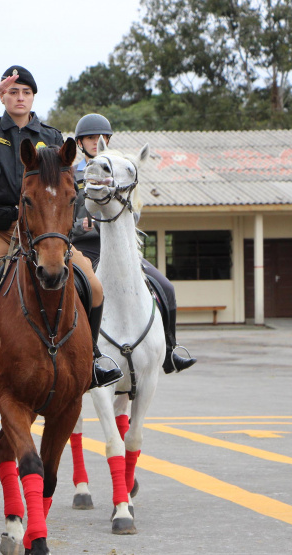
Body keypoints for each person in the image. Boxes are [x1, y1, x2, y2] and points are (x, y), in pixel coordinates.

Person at [0, 65, 123, 397]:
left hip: (42, 233)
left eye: (25, 92)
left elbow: (66, 190)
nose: (19, 98)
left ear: (33, 97)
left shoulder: (50, 138)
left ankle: (93, 358)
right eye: (12, 92)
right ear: (3, 97)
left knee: (94, 287)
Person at [73, 113, 196, 373]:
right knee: (75, 292)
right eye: (90, 138)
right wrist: (78, 226)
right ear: (80, 143)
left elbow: (134, 212)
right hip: (84, 249)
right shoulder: (71, 176)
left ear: (107, 141)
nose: (95, 142)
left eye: (100, 138)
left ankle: (170, 350)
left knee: (166, 287)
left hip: (120, 249)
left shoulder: (123, 171)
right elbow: (60, 216)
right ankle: (79, 353)